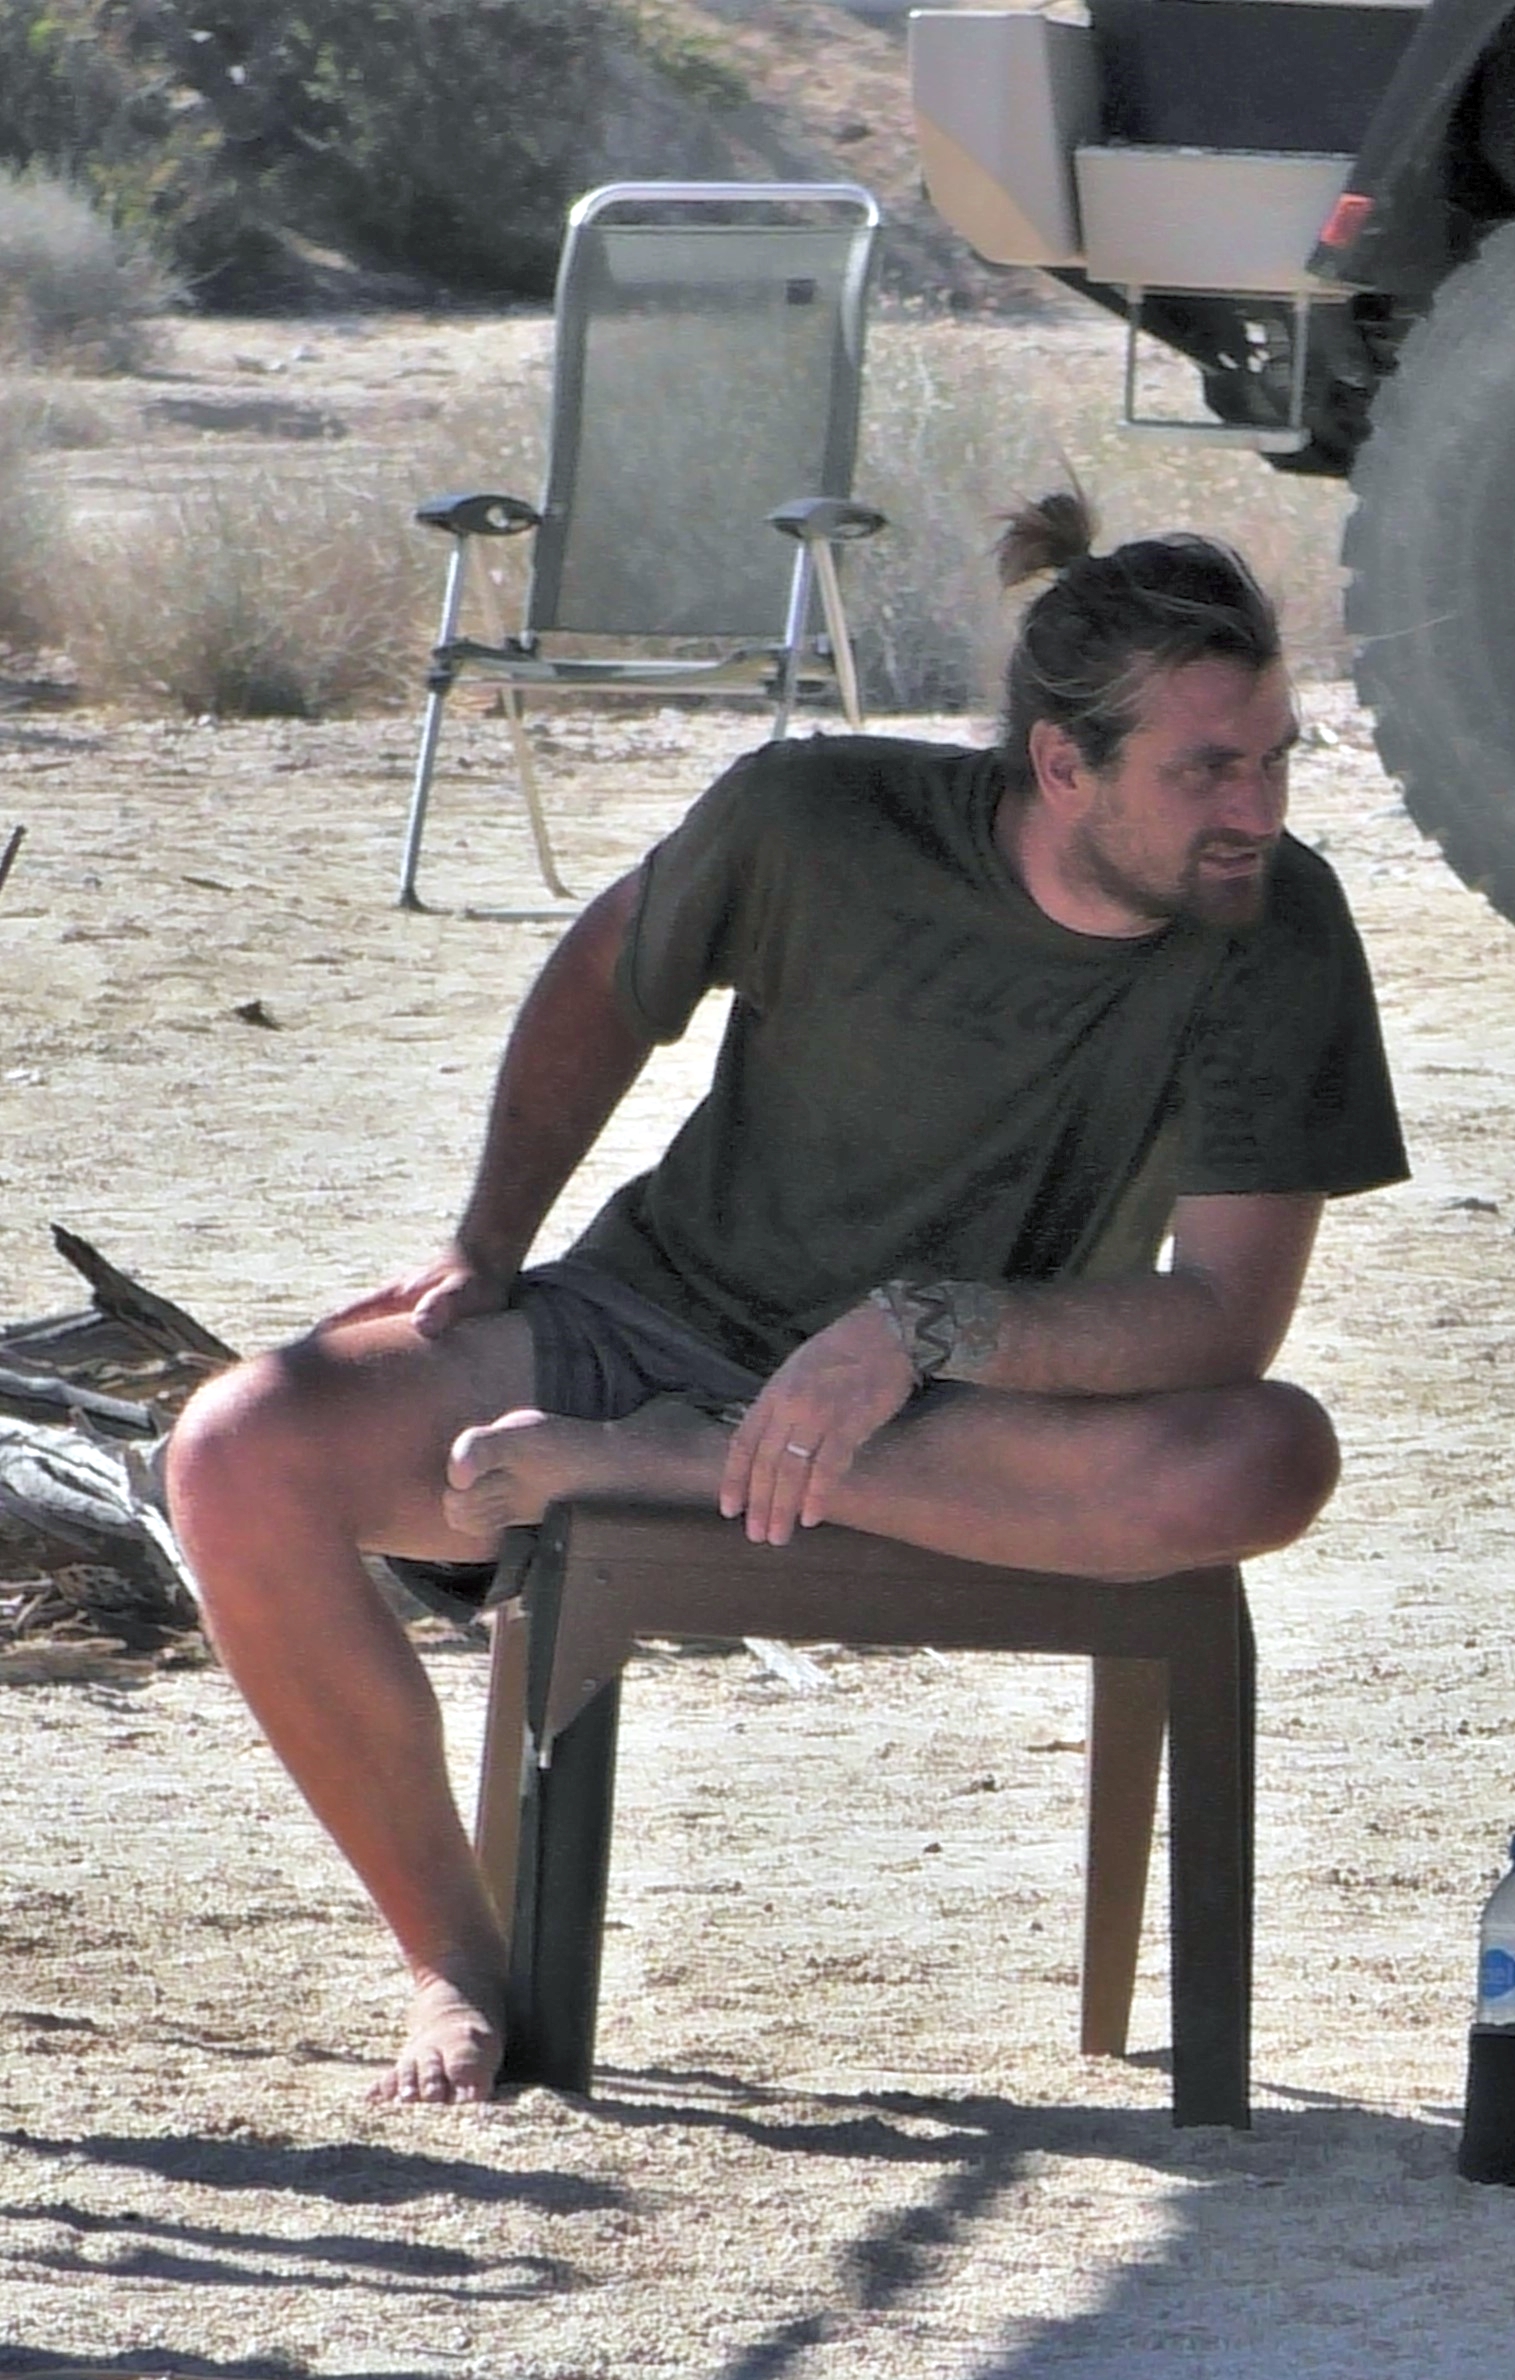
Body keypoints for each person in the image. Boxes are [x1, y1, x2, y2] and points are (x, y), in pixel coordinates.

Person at [166, 496, 1408, 2104]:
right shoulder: (814, 819)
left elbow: (1225, 1321)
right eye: (1208, 771)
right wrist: (487, 1237)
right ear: (1061, 764)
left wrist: (922, 1328)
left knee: (1271, 1458)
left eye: (1277, 760)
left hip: (968, 1417)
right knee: (236, 1451)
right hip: (646, 1324)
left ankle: (688, 1463)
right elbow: (604, 981)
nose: (1257, 810)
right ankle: (452, 1962)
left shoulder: (1275, 923)